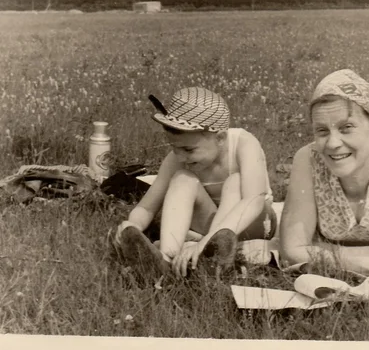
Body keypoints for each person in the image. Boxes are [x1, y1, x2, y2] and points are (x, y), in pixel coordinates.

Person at [113, 87, 276, 280]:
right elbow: (147, 207)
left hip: (254, 222)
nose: (181, 156)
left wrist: (204, 241)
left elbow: (254, 201)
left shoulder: (244, 144)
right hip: (209, 225)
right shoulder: (178, 158)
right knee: (182, 178)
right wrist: (132, 224)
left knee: (235, 181)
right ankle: (166, 260)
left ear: (221, 138)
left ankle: (210, 253)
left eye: (188, 149)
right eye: (174, 148)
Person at [280, 69, 369, 276]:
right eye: (322, 131)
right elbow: (291, 252)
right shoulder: (307, 158)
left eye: (347, 127)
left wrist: (317, 248)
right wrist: (362, 260)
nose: (332, 143)